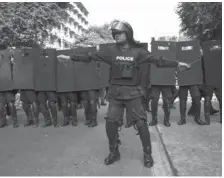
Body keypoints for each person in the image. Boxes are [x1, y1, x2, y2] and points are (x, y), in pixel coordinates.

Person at [57, 20, 190, 168]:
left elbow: (157, 60)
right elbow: (90, 57)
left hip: (133, 93)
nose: (116, 36)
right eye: (114, 34)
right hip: (115, 93)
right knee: (110, 124)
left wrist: (177, 64)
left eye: (119, 33)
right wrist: (70, 57)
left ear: (128, 34)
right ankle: (114, 152)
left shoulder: (138, 51)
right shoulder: (110, 51)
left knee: (141, 124)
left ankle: (147, 154)